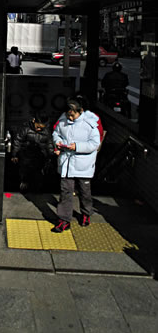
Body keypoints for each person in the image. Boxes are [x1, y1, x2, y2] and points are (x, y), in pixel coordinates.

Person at [52, 99, 100, 233]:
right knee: (65, 192)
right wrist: (58, 142)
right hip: (67, 163)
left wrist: (77, 146)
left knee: (84, 192)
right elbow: (56, 133)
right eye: (68, 115)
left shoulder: (89, 124)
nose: (70, 118)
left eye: (73, 115)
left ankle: (86, 213)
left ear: (81, 111)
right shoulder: (63, 121)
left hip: (83, 164)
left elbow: (94, 143)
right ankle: (64, 219)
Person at [10, 113, 54, 192]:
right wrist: (14, 154)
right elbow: (17, 142)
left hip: (40, 155)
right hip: (26, 155)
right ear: (34, 121)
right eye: (37, 127)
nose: (39, 129)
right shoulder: (25, 129)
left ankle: (36, 189)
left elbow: (49, 144)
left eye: (41, 128)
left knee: (38, 174)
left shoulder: (47, 132)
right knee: (25, 172)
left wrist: (51, 155)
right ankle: (24, 186)